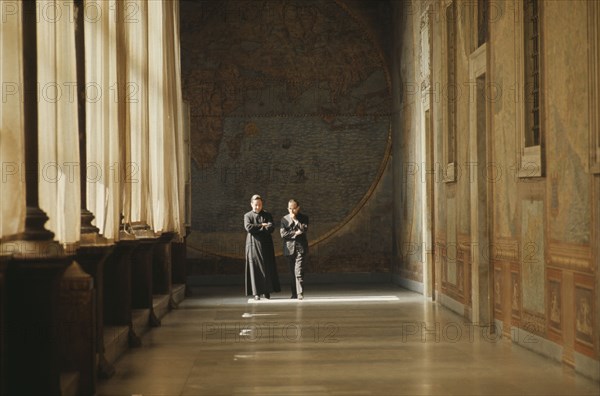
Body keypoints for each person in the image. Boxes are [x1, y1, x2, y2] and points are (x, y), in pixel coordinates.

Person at [244, 194, 280, 300]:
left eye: (259, 205)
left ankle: (267, 291)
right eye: (255, 205)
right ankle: (256, 293)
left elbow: (271, 228)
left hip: (266, 246)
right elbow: (248, 227)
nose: (257, 207)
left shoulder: (267, 214)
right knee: (254, 268)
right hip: (253, 245)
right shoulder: (247, 215)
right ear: (251, 205)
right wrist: (261, 225)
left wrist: (259, 228)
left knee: (267, 268)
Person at [280, 198, 308, 300]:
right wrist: (296, 233)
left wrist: (295, 220)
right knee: (292, 273)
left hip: (301, 248)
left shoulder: (304, 218)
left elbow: (304, 229)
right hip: (289, 249)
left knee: (298, 271)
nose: (291, 211)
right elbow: (283, 234)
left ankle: (300, 294)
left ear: (298, 208)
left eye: (294, 209)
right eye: (289, 208)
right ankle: (294, 294)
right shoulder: (284, 219)